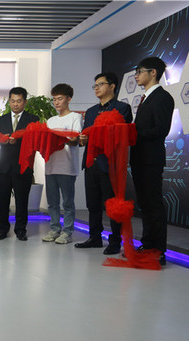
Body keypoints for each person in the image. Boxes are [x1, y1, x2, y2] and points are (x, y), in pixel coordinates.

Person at [75, 73, 132, 254]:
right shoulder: (91, 111)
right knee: (92, 204)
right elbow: (86, 135)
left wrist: (95, 136)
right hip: (91, 163)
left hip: (110, 164)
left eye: (100, 84)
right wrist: (82, 140)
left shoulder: (122, 108)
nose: (97, 88)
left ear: (112, 86)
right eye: (95, 85)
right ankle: (95, 237)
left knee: (113, 205)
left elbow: (120, 135)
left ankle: (115, 241)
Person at [131, 57, 175, 266]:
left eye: (140, 71)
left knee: (153, 203)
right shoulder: (146, 98)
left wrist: (134, 132)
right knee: (145, 204)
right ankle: (147, 244)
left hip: (151, 159)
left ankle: (158, 249)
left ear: (153, 72)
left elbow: (161, 129)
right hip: (139, 158)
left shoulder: (162, 97)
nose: (136, 76)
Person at [0, 87, 39, 241]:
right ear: (9, 101)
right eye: (12, 101)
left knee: (22, 201)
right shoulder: (1, 120)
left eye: (19, 101)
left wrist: (20, 140)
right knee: (2, 200)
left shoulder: (33, 119)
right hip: (3, 166)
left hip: (23, 166)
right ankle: (2, 230)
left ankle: (21, 230)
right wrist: (4, 140)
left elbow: (35, 142)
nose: (15, 104)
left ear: (25, 102)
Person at [41, 84, 82, 245]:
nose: (56, 102)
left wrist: (60, 138)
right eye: (54, 99)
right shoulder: (51, 120)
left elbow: (75, 140)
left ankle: (67, 231)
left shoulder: (75, 117)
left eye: (60, 99)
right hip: (50, 166)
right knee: (52, 202)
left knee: (67, 203)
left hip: (67, 167)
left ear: (69, 99)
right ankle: (54, 229)